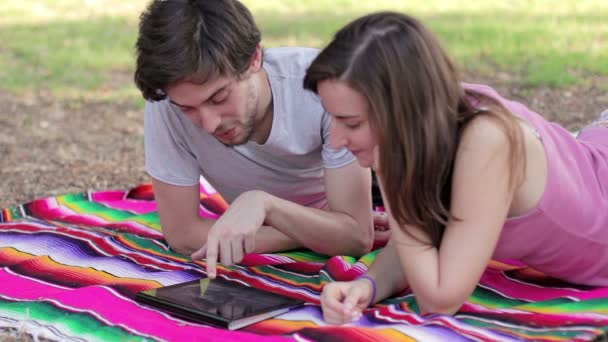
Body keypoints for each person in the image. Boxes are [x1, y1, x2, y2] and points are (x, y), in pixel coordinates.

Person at [303, 11, 608, 323]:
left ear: (400, 110)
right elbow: (416, 242)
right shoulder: (434, 117)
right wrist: (366, 285)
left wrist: (391, 178)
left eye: (350, 123)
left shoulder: (486, 141)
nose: (337, 140)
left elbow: (438, 299)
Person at [133, 0, 379, 278]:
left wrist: (264, 207)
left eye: (219, 97)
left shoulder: (323, 88)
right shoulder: (168, 104)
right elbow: (183, 236)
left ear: (254, 58)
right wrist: (302, 228)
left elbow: (356, 237)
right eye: (188, 108)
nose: (209, 123)